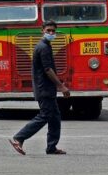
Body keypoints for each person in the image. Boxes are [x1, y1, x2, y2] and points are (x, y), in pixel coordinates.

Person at [9, 20, 70, 156]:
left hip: (46, 88)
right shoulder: (43, 47)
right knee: (45, 115)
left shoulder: (46, 46)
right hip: (44, 89)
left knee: (55, 116)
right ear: (42, 30)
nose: (51, 33)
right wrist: (61, 86)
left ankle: (51, 147)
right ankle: (19, 138)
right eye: (48, 30)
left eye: (53, 31)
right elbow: (48, 69)